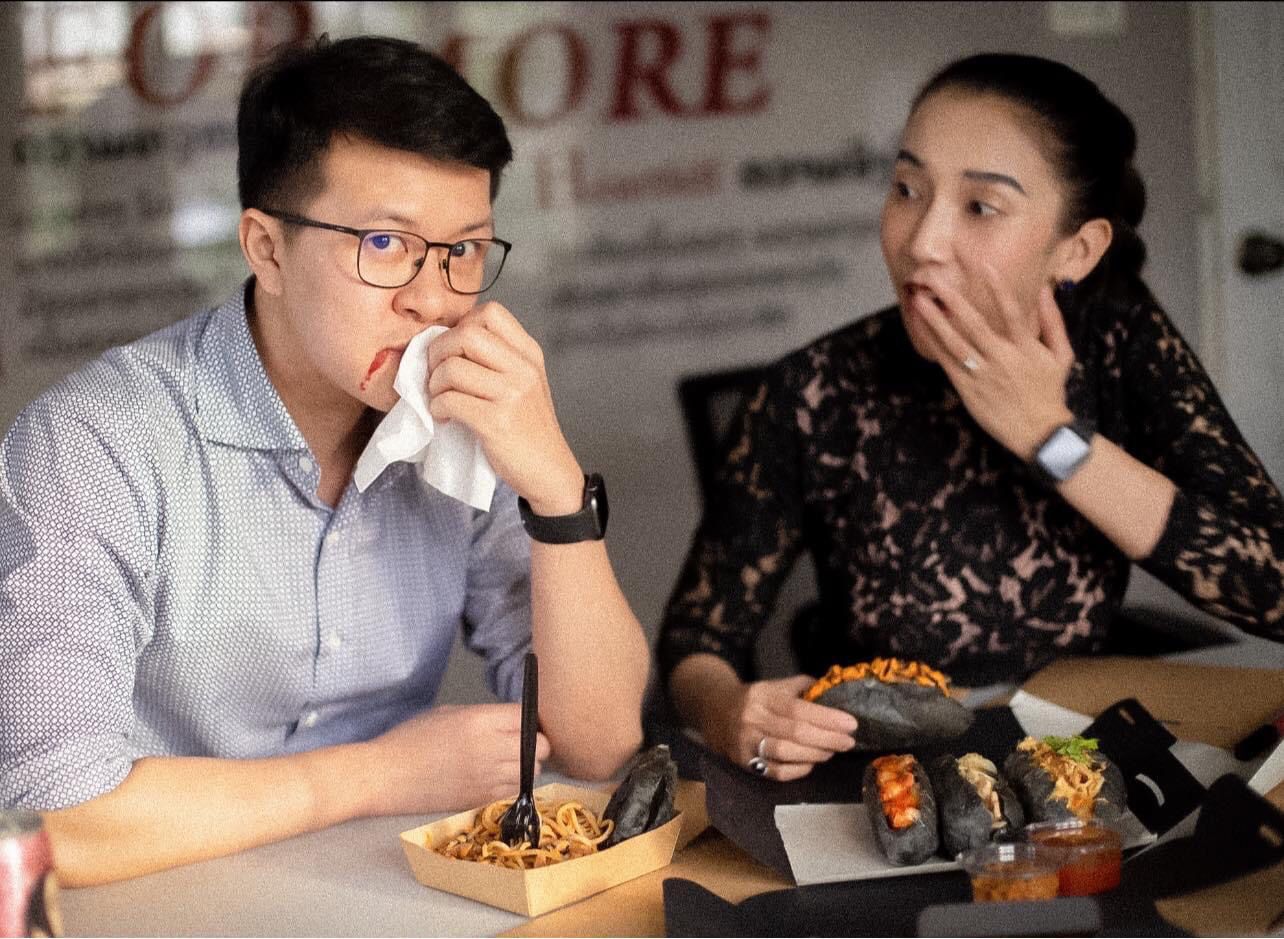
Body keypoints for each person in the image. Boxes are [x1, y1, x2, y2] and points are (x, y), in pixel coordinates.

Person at [0, 35, 649, 884]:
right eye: (384, 243)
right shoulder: (96, 442)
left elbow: (603, 744)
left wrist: (556, 486)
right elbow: (53, 819)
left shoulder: (464, 419)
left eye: (463, 250)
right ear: (266, 249)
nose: (434, 299)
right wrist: (378, 776)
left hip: (391, 897)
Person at [657, 53, 1284, 782]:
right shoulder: (814, 389)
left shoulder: (1118, 341)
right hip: (890, 779)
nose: (921, 242)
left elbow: (1274, 587)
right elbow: (695, 640)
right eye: (907, 189)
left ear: (1077, 250)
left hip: (1076, 765)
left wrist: (1054, 439)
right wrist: (727, 709)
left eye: (980, 206)